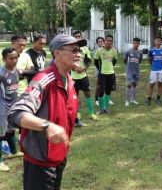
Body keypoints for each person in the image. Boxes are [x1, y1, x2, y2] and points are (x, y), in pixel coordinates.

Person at [7, 34, 86, 190]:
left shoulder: (69, 81)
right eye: (74, 50)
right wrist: (47, 126)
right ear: (57, 53)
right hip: (40, 162)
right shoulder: (44, 80)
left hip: (59, 157)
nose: (78, 54)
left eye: (79, 50)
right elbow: (16, 113)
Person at [0, 48, 23, 172]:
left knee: (11, 130)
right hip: (2, 108)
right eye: (11, 58)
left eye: (16, 57)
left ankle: (13, 152)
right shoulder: (1, 73)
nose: (14, 60)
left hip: (12, 105)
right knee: (0, 134)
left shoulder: (16, 71)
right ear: (4, 59)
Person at [71, 31, 98, 124]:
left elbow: (89, 61)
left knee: (87, 93)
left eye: (79, 36)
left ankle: (91, 113)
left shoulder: (85, 49)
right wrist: (74, 68)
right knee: (75, 96)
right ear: (73, 37)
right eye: (76, 36)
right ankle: (77, 113)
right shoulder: (70, 49)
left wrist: (84, 68)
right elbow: (66, 61)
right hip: (73, 77)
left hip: (83, 76)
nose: (78, 37)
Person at [94, 35, 118, 114]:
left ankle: (106, 108)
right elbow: (96, 61)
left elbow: (114, 61)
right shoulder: (99, 51)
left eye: (111, 40)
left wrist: (110, 67)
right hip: (102, 74)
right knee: (101, 91)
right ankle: (101, 109)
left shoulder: (114, 51)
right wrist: (101, 69)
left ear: (112, 42)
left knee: (108, 91)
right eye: (107, 40)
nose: (109, 42)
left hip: (111, 74)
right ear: (105, 41)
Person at [145, 36, 162, 105]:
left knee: (160, 84)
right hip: (154, 70)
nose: (157, 42)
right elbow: (150, 59)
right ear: (154, 42)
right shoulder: (151, 50)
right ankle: (149, 99)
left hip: (161, 70)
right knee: (151, 84)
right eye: (156, 40)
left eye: (159, 41)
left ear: (161, 42)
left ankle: (158, 99)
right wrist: (153, 65)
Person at [124, 37, 143, 106]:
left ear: (139, 44)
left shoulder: (140, 52)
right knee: (128, 85)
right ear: (132, 43)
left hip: (136, 71)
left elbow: (139, 61)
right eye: (135, 43)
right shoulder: (128, 52)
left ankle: (133, 99)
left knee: (134, 85)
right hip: (129, 71)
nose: (136, 44)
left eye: (137, 43)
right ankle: (126, 100)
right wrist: (128, 68)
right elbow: (125, 60)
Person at [94, 37, 104, 106]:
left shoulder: (106, 49)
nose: (100, 42)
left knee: (106, 86)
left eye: (101, 41)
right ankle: (96, 99)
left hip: (106, 71)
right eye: (99, 41)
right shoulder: (96, 51)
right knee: (98, 86)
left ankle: (107, 99)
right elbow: (96, 62)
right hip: (99, 71)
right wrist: (100, 69)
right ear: (97, 43)